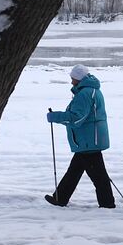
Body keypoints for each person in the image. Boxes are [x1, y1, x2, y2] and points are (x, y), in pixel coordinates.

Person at [46, 64, 115, 208]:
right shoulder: (92, 90)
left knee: (97, 176)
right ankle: (60, 197)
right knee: (76, 170)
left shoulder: (85, 94)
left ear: (79, 79)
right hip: (90, 139)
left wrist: (55, 117)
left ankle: (107, 204)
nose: (71, 82)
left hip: (89, 140)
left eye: (73, 79)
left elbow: (76, 118)